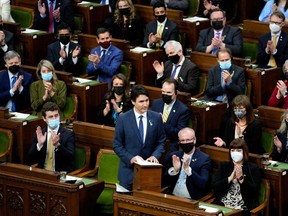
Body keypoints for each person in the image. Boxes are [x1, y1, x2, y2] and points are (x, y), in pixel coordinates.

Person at [113, 85, 166, 190]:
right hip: (128, 172)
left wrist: (155, 156)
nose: (145, 104)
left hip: (149, 173)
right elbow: (117, 145)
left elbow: (161, 142)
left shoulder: (156, 118)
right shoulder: (123, 119)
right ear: (133, 102)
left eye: (147, 100)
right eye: (141, 101)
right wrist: (131, 158)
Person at [213, 138, 261, 215]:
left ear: (244, 152)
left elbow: (254, 192)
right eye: (232, 150)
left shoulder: (253, 168)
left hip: (243, 207)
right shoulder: (224, 166)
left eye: (238, 150)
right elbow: (215, 187)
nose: (235, 153)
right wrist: (230, 178)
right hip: (223, 204)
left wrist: (242, 179)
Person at [163, 127, 211, 200]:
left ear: (194, 140)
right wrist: (175, 170)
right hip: (172, 196)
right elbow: (164, 181)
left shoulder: (204, 159)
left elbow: (202, 184)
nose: (185, 143)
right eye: (182, 140)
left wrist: (188, 170)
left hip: (191, 199)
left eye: (188, 140)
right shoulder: (174, 156)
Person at [28, 102, 75, 172]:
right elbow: (30, 158)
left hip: (59, 175)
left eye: (56, 115)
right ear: (44, 118)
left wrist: (58, 145)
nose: (54, 118)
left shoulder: (68, 134)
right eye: (51, 117)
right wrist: (39, 145)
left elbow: (71, 157)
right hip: (43, 173)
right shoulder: (40, 134)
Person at [151, 78, 190, 153]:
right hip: (153, 140)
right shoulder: (156, 103)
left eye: (168, 93)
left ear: (176, 92)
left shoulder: (183, 110)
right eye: (163, 92)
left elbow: (179, 133)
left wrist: (163, 123)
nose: (165, 95)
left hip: (170, 144)